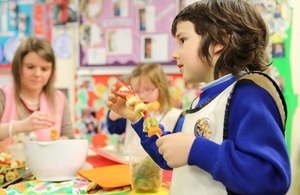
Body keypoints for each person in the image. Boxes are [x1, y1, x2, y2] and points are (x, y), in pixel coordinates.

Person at [106, 0, 291, 194]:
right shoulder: (204, 99)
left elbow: (271, 180)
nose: (175, 54)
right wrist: (136, 117)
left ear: (219, 41)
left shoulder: (249, 93)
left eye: (183, 40)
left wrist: (195, 150)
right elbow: (169, 156)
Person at [0, 36, 75, 152]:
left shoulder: (59, 99)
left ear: (51, 71)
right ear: (18, 67)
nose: (37, 74)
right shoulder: (3, 95)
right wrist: (21, 126)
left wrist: (64, 141)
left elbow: (70, 138)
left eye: (44, 69)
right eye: (30, 67)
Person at [106, 63, 184, 154]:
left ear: (161, 88)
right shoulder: (131, 111)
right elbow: (113, 129)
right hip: (130, 164)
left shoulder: (176, 117)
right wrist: (114, 113)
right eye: (137, 91)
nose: (142, 95)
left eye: (148, 90)